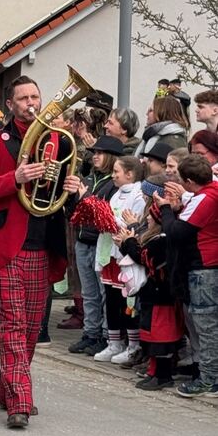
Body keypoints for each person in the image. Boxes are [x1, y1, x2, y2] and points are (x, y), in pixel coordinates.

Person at [0, 76, 82, 428]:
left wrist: (74, 189)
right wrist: (14, 178)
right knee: (12, 325)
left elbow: (64, 193)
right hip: (6, 245)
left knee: (32, 328)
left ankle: (9, 389)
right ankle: (20, 400)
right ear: (12, 103)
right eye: (24, 98)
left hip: (42, 244)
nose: (31, 103)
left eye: (36, 96)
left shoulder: (58, 141)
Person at [158, 154, 218, 398]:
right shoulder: (210, 191)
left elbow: (176, 232)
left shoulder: (205, 199)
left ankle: (209, 380)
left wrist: (165, 209)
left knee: (206, 328)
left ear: (191, 181)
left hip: (203, 269)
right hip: (207, 267)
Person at [117, 200, 183, 389]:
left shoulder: (162, 241)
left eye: (150, 216)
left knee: (161, 336)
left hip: (162, 297)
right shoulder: (155, 239)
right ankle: (154, 371)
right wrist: (126, 243)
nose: (146, 218)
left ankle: (164, 375)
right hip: (151, 296)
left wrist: (128, 241)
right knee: (151, 334)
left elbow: (143, 256)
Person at [67, 136, 122, 356]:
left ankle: (107, 335)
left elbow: (105, 214)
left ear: (110, 157)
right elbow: (74, 211)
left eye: (100, 153)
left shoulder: (113, 183)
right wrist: (72, 198)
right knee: (89, 292)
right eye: (94, 152)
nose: (95, 156)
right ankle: (90, 333)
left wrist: (84, 196)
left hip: (101, 243)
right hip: (83, 240)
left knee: (103, 292)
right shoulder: (89, 179)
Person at [92, 156, 146, 364]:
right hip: (110, 255)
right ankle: (114, 342)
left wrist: (108, 219)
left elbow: (133, 223)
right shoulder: (116, 193)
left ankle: (133, 345)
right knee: (112, 300)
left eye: (117, 172)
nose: (113, 175)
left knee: (128, 302)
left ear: (130, 174)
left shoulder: (138, 195)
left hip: (125, 257)